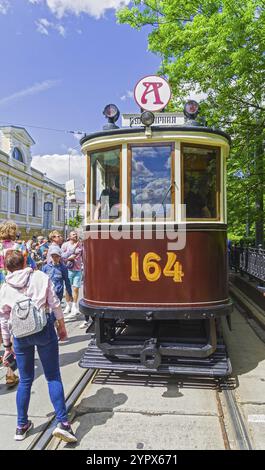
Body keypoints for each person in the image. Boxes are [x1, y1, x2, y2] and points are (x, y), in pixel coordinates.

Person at [0, 251, 77, 443]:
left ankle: (21, 426)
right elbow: (55, 303)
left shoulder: (5, 287)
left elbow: (3, 318)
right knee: (52, 376)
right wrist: (62, 327)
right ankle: (64, 423)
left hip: (20, 336)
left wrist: (7, 345)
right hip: (44, 331)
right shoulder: (41, 276)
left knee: (25, 380)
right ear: (25, 261)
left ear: (6, 267)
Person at [0, 221, 20, 388]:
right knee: (11, 330)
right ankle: (10, 374)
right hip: (13, 293)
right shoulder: (19, 248)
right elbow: (31, 269)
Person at [61, 231, 83, 320]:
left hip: (78, 269)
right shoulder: (65, 245)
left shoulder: (80, 245)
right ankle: (68, 305)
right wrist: (68, 258)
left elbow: (84, 255)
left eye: (76, 234)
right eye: (73, 234)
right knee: (67, 288)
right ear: (69, 236)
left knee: (76, 288)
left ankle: (74, 305)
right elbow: (61, 256)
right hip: (68, 269)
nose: (75, 235)